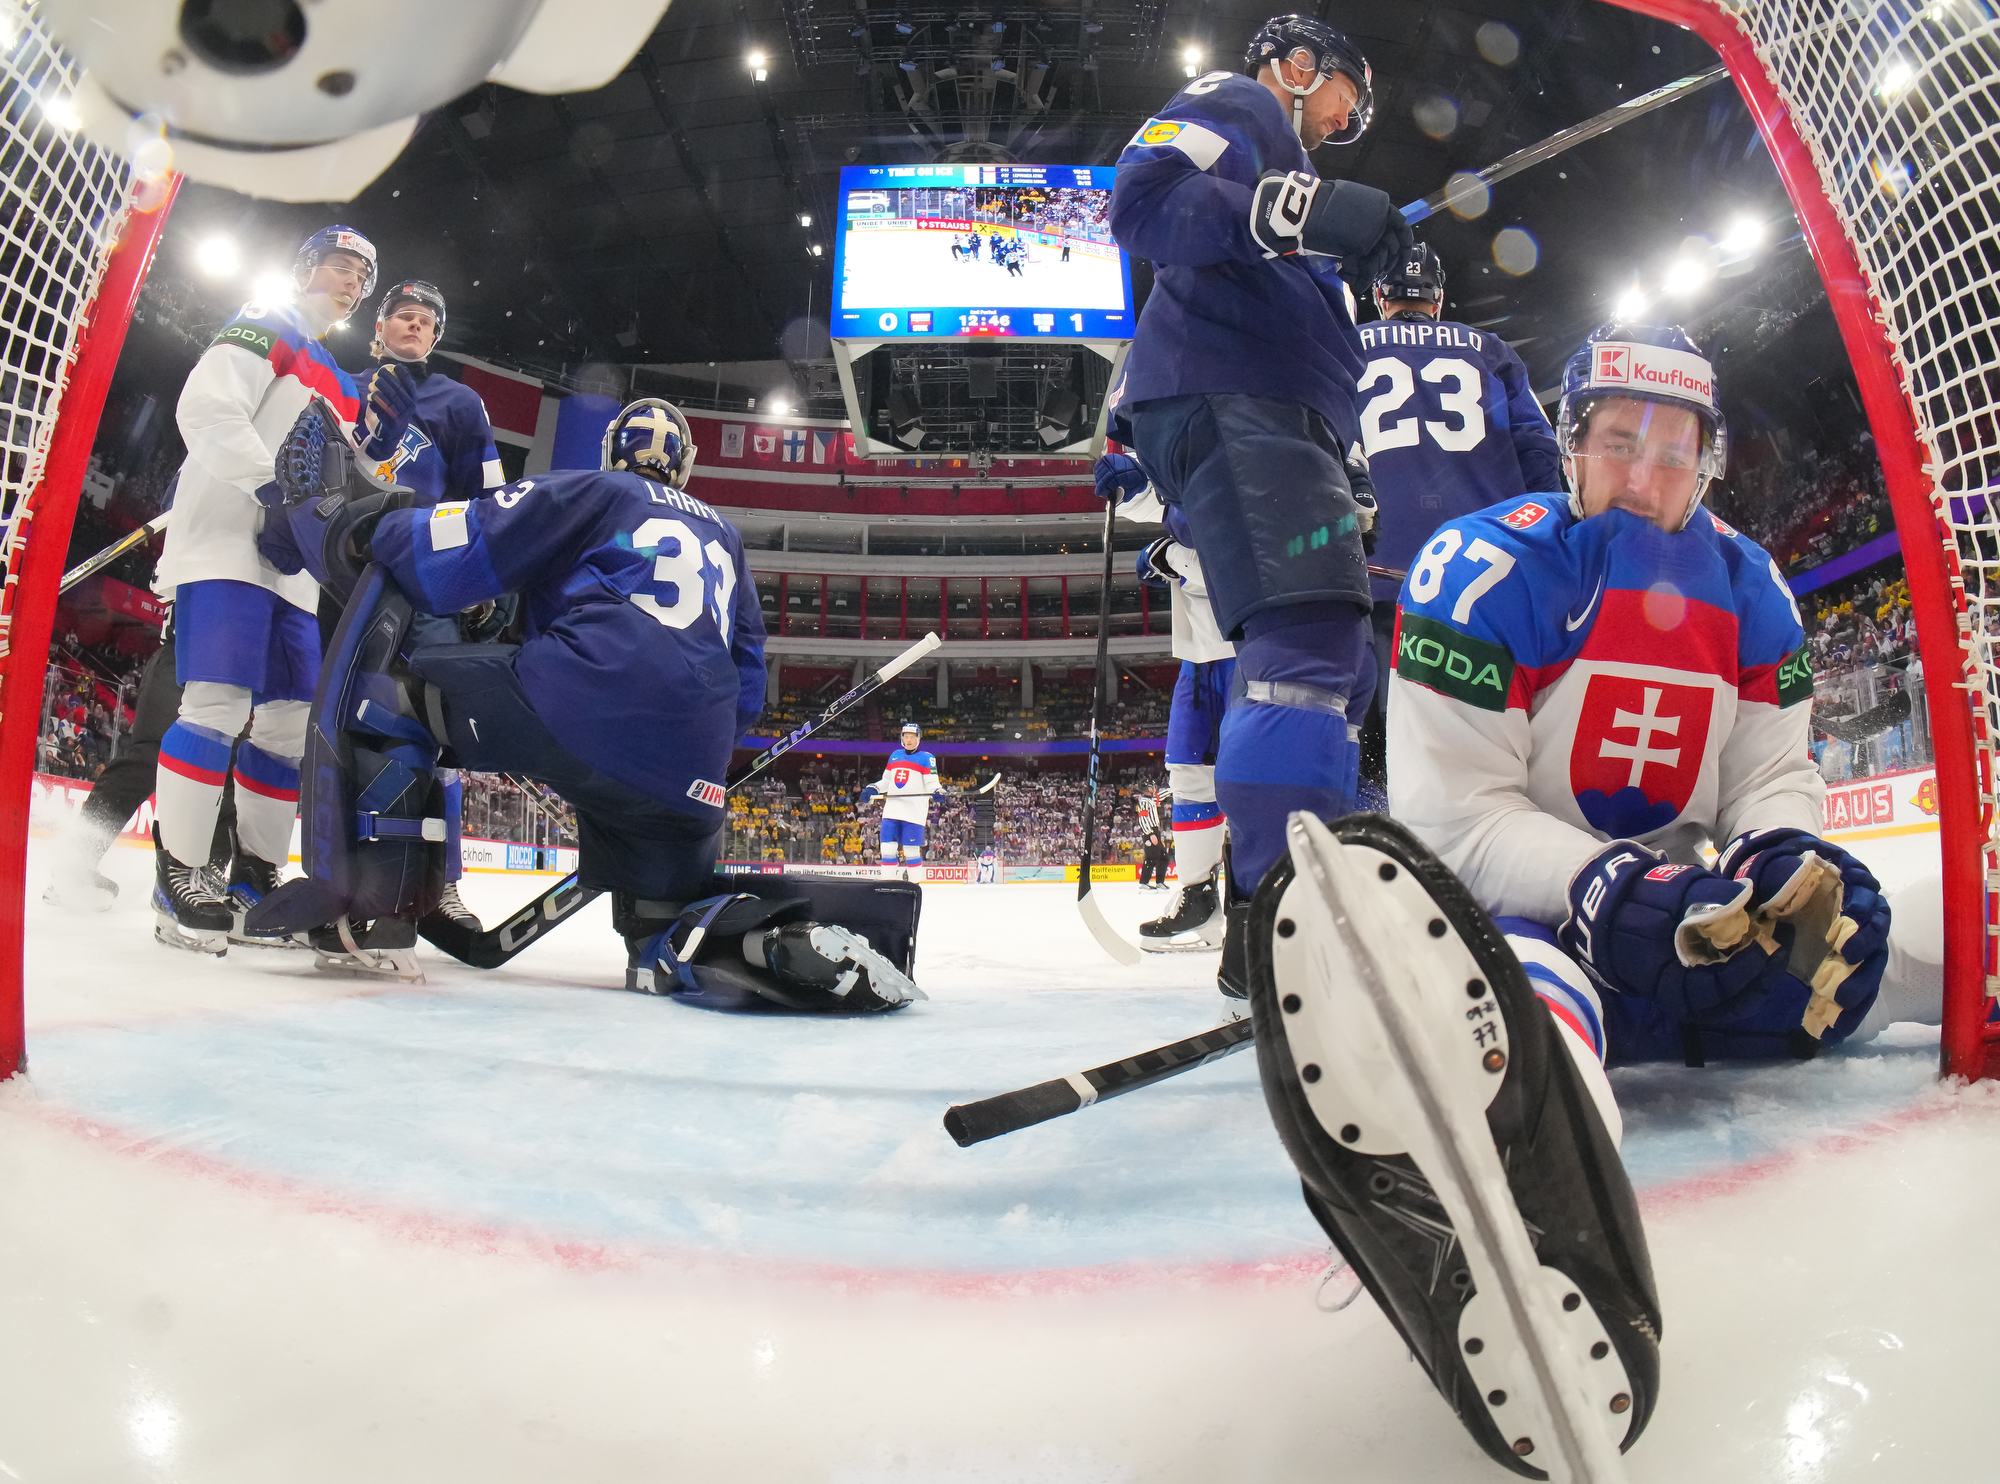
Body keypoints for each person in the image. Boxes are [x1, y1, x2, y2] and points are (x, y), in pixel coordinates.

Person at [1242, 323, 1897, 1471]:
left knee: (1861, 948)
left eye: (1670, 448)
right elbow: (1452, 821)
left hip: (1686, 915)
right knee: (1521, 993)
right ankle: (1521, 1227)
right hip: (1519, 915)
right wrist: (1599, 885)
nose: (1642, 475)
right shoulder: (1479, 568)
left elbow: (1768, 773)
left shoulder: (1754, 588)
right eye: (1615, 441)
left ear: (1707, 460)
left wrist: (1781, 859)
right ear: (1569, 444)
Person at [254, 397, 921, 1010]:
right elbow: (748, 687)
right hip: (692, 782)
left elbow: (463, 544)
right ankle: (734, 943)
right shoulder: (726, 538)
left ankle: (375, 909)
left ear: (612, 452)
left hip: (581, 704)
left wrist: (367, 526)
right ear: (684, 465)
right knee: (664, 928)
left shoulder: (598, 490)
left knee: (394, 695)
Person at [1109, 14, 1411, 1004]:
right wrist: (1303, 211)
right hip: (1241, 404)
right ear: (1299, 66)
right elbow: (1140, 200)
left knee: (1325, 659)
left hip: (1269, 415)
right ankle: (1285, 930)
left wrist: (1333, 235)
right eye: (1347, 96)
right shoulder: (1237, 102)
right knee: (1306, 648)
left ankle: (1267, 920)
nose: (1347, 120)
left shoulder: (1288, 169)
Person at [148, 223, 409, 953]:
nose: (352, 281)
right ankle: (178, 877)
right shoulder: (267, 318)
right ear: (304, 268)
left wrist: (379, 469)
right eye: (340, 264)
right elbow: (207, 408)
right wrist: (272, 488)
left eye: (362, 274)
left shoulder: (345, 382)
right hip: (228, 539)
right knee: (217, 704)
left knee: (290, 723)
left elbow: (344, 476)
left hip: (291, 567)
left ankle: (252, 883)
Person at [1354, 244, 1560, 788]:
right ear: (1439, 298)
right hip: (1482, 571)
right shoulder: (1491, 351)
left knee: (1381, 743)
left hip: (1374, 570)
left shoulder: (1346, 345)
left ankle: (1389, 827)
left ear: (1380, 296)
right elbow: (1541, 453)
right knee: (1485, 736)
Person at [354, 278, 506, 934]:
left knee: (436, 731)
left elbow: (486, 500)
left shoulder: (459, 402)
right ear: (379, 326)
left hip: (426, 582)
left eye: (426, 321)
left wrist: (482, 579)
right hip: (345, 578)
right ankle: (348, 877)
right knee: (343, 727)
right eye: (403, 316)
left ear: (436, 338)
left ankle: (441, 884)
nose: (414, 326)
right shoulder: (342, 388)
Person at [1096, 447, 1233, 952]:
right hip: (1201, 653)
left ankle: (1262, 903)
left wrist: (1171, 558)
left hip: (1250, 647)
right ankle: (1198, 901)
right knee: (1189, 772)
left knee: (1252, 777)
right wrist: (1136, 487)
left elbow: (1239, 551)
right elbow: (1178, 505)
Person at [863, 722, 939, 879]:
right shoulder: (895, 755)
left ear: (918, 738)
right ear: (902, 738)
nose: (909, 740)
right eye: (906, 736)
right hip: (892, 810)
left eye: (912, 736)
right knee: (887, 849)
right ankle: (888, 883)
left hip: (914, 813)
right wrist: (873, 788)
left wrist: (938, 792)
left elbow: (932, 783)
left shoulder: (927, 758)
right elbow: (886, 781)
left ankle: (914, 885)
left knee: (911, 851)